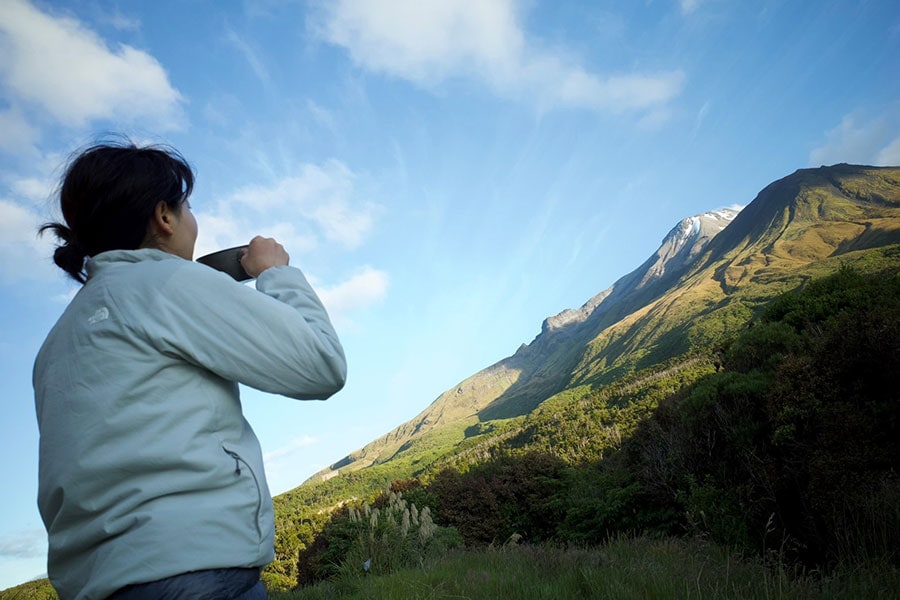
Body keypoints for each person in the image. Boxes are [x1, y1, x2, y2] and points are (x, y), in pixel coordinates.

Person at [33, 141, 347, 600]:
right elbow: (321, 365)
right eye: (188, 206)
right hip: (196, 571)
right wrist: (276, 273)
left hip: (94, 584)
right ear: (164, 217)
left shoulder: (56, 343)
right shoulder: (167, 283)